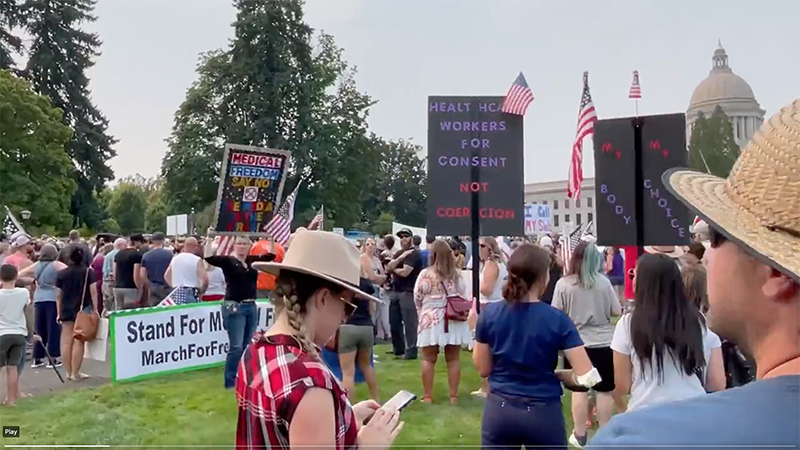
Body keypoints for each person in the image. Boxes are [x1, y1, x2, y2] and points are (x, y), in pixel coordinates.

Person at [590, 99, 800, 446]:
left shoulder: (636, 440)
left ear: (776, 273)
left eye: (717, 235)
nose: (707, 257)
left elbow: (622, 384)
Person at [239, 230, 402, 449]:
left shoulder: (256, 349)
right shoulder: (311, 383)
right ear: (323, 298)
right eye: (348, 306)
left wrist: (341, 417)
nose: (345, 317)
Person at [474, 244, 599, 449]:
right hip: (543, 411)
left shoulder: (490, 315)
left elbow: (483, 369)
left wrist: (475, 330)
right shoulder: (557, 319)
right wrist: (561, 375)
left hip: (500, 409)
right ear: (543, 277)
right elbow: (588, 376)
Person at [552, 241, 621, 447]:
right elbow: (616, 310)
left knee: (579, 390)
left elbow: (556, 312)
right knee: (604, 390)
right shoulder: (604, 282)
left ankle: (580, 434)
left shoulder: (564, 284)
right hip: (603, 341)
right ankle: (605, 433)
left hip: (575, 343)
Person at [205, 236, 273, 389]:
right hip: (235, 306)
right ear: (234, 245)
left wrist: (272, 240)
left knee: (247, 344)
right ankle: (230, 382)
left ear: (250, 246)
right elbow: (209, 258)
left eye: (245, 244)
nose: (242, 247)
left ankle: (244, 378)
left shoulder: (250, 261)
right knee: (236, 346)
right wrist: (209, 239)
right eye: (239, 244)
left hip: (251, 305)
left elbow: (270, 257)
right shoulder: (228, 261)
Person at [414, 239, 471, 404]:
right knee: (453, 358)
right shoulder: (458, 274)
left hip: (431, 317)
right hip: (453, 317)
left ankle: (428, 396)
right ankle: (453, 396)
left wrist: (422, 314)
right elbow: (464, 293)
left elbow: (417, 297)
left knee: (428, 359)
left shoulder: (425, 274)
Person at [18, 244, 66, 368]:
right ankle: (53, 357)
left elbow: (19, 274)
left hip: (39, 298)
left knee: (40, 328)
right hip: (52, 297)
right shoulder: (56, 265)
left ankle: (38, 357)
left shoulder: (36, 265)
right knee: (53, 328)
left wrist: (33, 281)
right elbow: (67, 272)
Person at [56, 245, 98, 381]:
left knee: (66, 342)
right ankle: (76, 373)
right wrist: (96, 310)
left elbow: (58, 295)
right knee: (79, 340)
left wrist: (58, 312)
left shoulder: (62, 274)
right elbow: (93, 292)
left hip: (66, 308)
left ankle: (68, 372)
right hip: (83, 308)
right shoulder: (88, 273)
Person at [338, 277, 379, 401]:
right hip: (366, 327)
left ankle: (349, 406)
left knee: (348, 372)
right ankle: (376, 399)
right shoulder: (366, 283)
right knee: (366, 366)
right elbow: (372, 307)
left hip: (348, 327)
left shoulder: (343, 280)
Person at [385, 228, 423, 360]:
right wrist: (400, 258)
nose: (403, 239)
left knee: (409, 322)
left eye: (406, 236)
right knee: (394, 322)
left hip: (408, 291)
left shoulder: (414, 254)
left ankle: (411, 350)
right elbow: (388, 267)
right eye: (401, 237)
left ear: (411, 238)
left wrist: (393, 269)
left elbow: (405, 272)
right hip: (396, 290)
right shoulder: (400, 253)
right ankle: (398, 349)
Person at [140, 232, 174, 306]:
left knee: (154, 309)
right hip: (167, 287)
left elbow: (142, 275)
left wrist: (149, 285)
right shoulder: (170, 254)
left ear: (152, 241)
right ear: (163, 241)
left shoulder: (146, 256)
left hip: (153, 286)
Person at [113, 234, 145, 310]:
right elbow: (136, 274)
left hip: (117, 287)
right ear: (137, 242)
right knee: (130, 311)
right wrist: (139, 288)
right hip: (130, 287)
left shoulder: (118, 254)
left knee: (119, 311)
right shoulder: (137, 255)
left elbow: (114, 272)